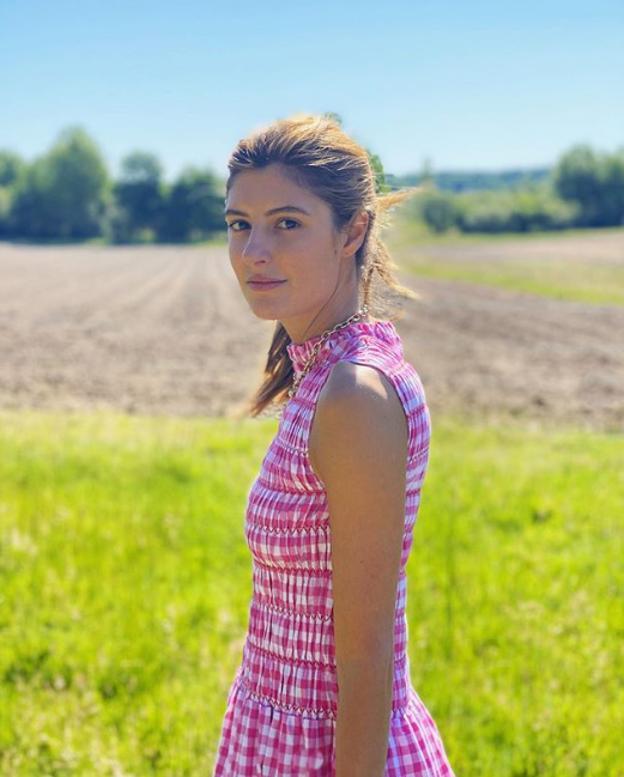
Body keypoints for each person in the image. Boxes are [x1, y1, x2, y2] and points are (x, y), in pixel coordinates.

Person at [213, 113, 455, 777]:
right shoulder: (323, 370)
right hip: (274, 730)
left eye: (286, 222)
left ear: (352, 231)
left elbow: (366, 655)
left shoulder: (354, 394)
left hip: (328, 753)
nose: (253, 250)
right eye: (240, 224)